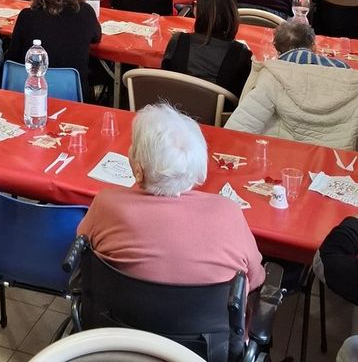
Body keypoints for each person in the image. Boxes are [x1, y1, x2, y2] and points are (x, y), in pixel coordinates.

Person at [78, 103, 264, 291]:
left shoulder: (106, 205)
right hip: (208, 319)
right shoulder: (229, 213)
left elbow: (81, 253)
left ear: (138, 171)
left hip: (115, 317)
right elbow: (256, 277)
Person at [224, 48, 358, 147]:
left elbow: (235, 133)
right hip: (336, 173)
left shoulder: (272, 77)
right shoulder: (352, 87)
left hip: (268, 163)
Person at [6, 0, 101, 97]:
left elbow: (12, 56)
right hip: (72, 91)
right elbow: (96, 37)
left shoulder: (27, 16)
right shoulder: (86, 12)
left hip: (28, 90)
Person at [162, 0, 252, 99]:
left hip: (176, 109)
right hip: (219, 115)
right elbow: (243, 94)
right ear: (233, 14)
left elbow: (165, 77)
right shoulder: (240, 54)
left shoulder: (178, 40)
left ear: (197, 11)